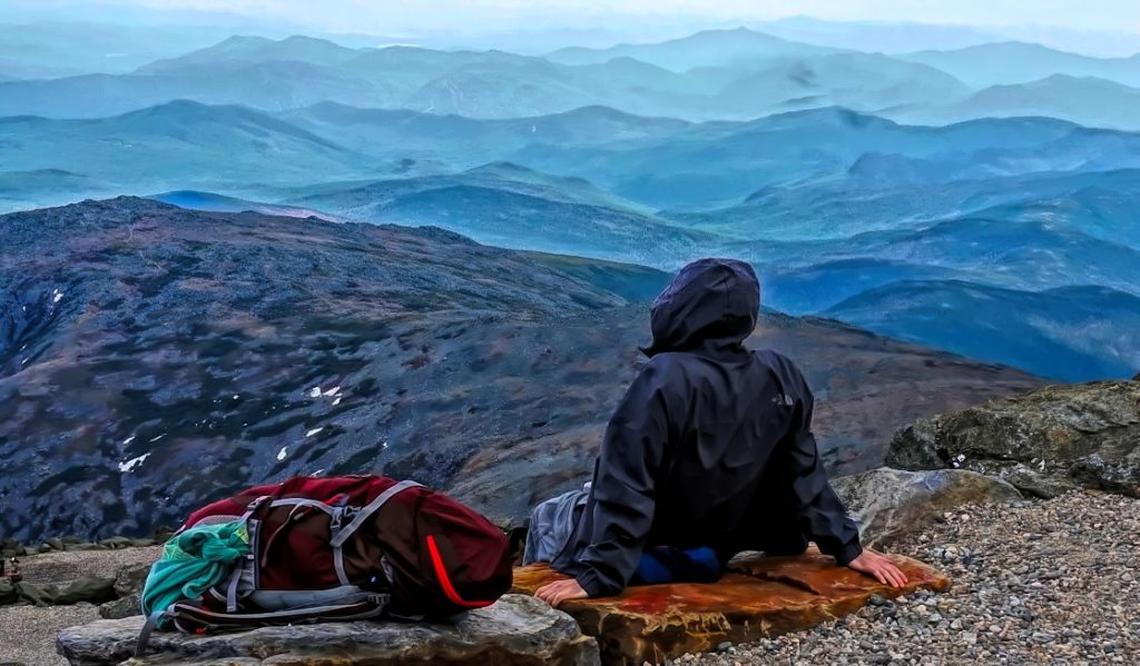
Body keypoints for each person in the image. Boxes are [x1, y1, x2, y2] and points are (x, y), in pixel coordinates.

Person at [531, 258, 907, 607]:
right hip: (724, 533)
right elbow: (802, 471)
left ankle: (543, 615)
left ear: (681, 308)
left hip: (660, 533)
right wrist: (847, 546)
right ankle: (689, 557)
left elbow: (626, 479)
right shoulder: (780, 373)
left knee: (548, 516)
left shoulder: (664, 378)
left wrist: (599, 576)